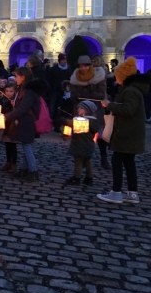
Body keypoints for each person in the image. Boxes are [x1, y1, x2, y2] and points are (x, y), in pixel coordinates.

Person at [98, 57, 149, 204]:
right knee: (129, 163)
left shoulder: (130, 91)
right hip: (131, 134)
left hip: (126, 133)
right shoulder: (133, 89)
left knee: (117, 161)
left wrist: (110, 105)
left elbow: (128, 109)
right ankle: (132, 193)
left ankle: (116, 192)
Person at [4, 66, 47, 182]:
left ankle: (33, 171)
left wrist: (7, 116)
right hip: (24, 121)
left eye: (17, 76)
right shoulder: (23, 89)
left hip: (27, 121)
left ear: (23, 77)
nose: (15, 78)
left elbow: (23, 108)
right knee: (25, 144)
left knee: (27, 146)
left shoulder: (29, 91)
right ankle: (24, 169)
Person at [69, 55, 109, 169]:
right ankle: (82, 160)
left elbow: (101, 94)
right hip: (80, 111)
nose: (83, 68)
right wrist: (82, 95)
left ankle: (104, 158)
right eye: (81, 66)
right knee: (80, 137)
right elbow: (73, 94)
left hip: (95, 111)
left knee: (99, 136)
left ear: (90, 66)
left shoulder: (98, 77)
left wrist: (84, 95)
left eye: (86, 66)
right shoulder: (75, 78)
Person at [64, 101, 99, 186]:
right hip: (89, 145)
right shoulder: (94, 121)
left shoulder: (84, 120)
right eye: (78, 108)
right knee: (87, 161)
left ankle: (76, 178)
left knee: (78, 162)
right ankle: (89, 178)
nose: (78, 109)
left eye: (81, 108)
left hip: (80, 145)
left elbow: (72, 124)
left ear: (88, 110)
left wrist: (64, 121)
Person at [47, 53, 72, 132]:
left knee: (61, 109)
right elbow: (49, 80)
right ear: (59, 60)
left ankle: (57, 125)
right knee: (52, 108)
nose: (64, 61)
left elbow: (70, 79)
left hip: (64, 92)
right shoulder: (53, 69)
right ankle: (50, 123)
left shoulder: (68, 69)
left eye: (65, 60)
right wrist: (52, 88)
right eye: (63, 60)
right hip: (54, 91)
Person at [0, 82, 19, 173]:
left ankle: (13, 163)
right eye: (6, 91)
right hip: (5, 123)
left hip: (12, 124)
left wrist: (14, 105)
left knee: (12, 145)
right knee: (7, 144)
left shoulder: (15, 101)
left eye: (11, 91)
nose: (8, 93)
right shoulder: (3, 100)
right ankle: (8, 162)